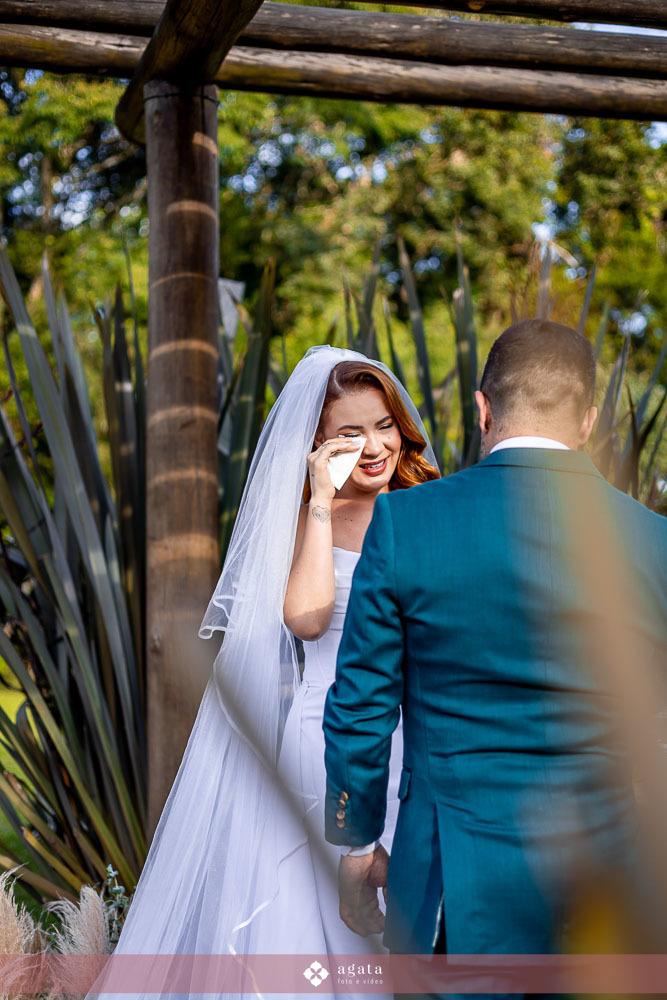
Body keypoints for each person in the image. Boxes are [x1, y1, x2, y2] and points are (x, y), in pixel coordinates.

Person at [323, 319, 667, 998]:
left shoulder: (403, 524)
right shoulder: (652, 542)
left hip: (455, 874)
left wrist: (357, 844)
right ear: (590, 419)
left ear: (482, 408)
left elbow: (360, 707)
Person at [88, 344, 438, 1000]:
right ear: (317, 447)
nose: (373, 445)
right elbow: (306, 620)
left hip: (415, 745)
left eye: (384, 425)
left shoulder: (428, 509)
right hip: (322, 743)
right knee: (318, 932)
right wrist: (318, 507)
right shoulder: (304, 521)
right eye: (349, 432)